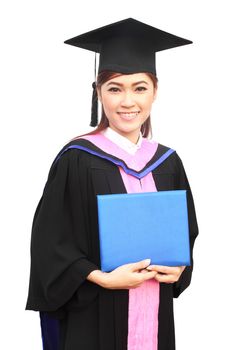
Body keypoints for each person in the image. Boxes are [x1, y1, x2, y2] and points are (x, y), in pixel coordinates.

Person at [25, 18, 199, 350]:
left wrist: (179, 269)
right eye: (115, 88)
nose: (128, 102)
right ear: (98, 92)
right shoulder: (76, 159)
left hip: (155, 310)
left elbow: (185, 232)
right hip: (95, 315)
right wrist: (102, 278)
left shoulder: (168, 162)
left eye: (140, 87)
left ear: (155, 91)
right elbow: (50, 244)